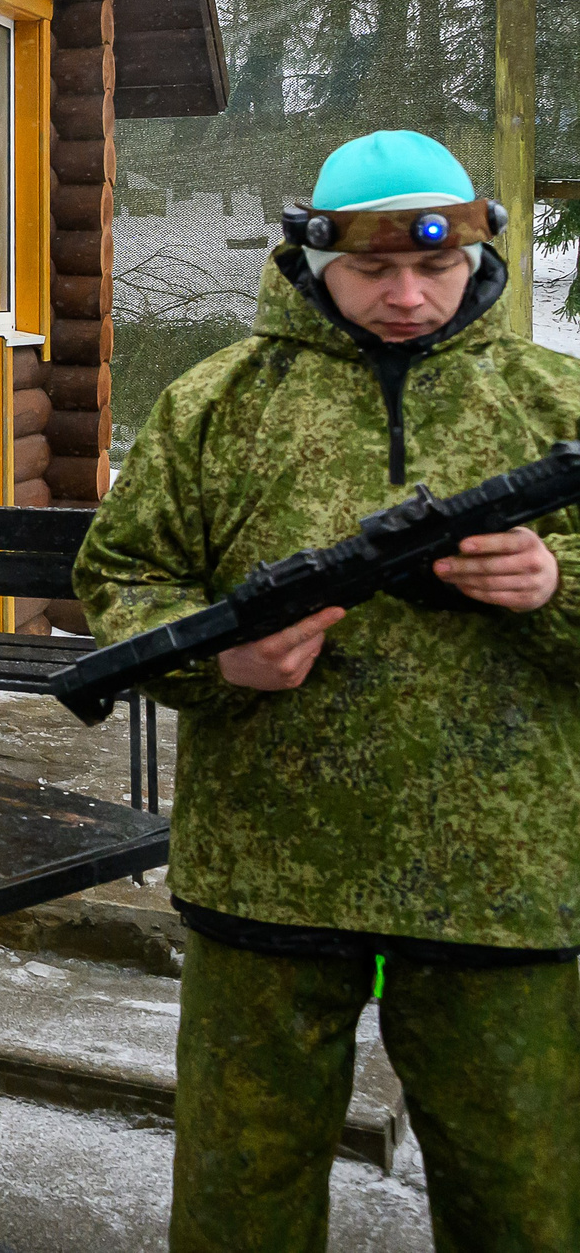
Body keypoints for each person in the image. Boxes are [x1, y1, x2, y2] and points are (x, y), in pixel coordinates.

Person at [72, 130, 580, 1253]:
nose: (405, 296)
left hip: (500, 878)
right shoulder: (219, 402)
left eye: (434, 269)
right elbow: (121, 574)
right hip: (267, 872)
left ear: (476, 255)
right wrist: (218, 662)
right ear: (312, 257)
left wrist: (556, 584)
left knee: (524, 1199)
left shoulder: (553, 404)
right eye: (371, 270)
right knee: (239, 1198)